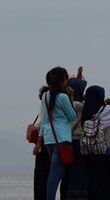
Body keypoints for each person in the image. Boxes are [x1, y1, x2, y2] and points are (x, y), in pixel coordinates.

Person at [33, 67, 77, 200]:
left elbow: (45, 121)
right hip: (62, 139)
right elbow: (72, 116)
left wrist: (39, 142)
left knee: (59, 171)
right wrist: (71, 97)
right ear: (63, 80)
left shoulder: (45, 96)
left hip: (49, 140)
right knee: (55, 172)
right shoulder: (63, 97)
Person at [60, 77, 88, 200]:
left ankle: (68, 193)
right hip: (79, 140)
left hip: (70, 140)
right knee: (78, 170)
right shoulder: (80, 105)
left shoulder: (72, 105)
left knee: (69, 170)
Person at [34, 86, 50, 200]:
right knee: (44, 174)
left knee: (39, 175)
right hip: (44, 141)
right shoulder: (47, 108)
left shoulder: (42, 107)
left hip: (40, 142)